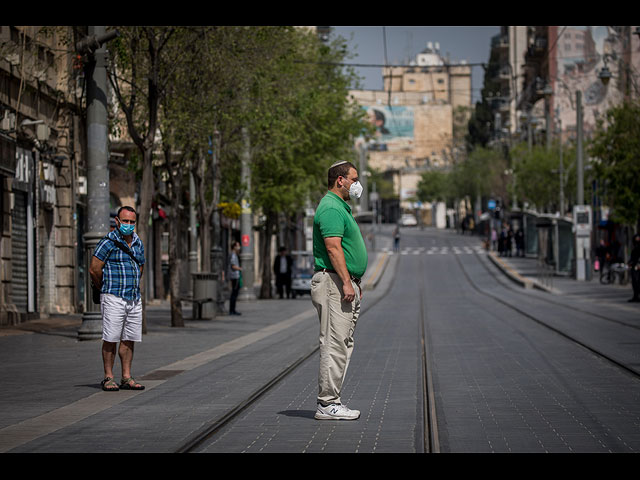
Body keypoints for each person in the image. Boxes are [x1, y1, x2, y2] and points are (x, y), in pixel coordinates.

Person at [311, 160, 368, 421]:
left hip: (342, 283)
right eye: (354, 179)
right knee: (335, 343)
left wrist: (353, 281)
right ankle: (328, 403)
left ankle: (332, 400)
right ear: (340, 180)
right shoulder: (331, 207)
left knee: (342, 343)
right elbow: (333, 248)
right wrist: (346, 281)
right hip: (334, 283)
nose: (357, 185)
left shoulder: (340, 207)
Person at [90, 206, 146, 392]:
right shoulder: (108, 242)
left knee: (129, 338)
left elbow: (140, 267)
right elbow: (95, 269)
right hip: (113, 296)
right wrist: (103, 288)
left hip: (133, 297)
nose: (129, 225)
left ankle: (127, 376)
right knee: (111, 337)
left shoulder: (138, 243)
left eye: (132, 222)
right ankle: (108, 377)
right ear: (117, 221)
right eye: (126, 221)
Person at [228, 240, 242, 315]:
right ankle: (232, 310)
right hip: (235, 276)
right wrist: (240, 269)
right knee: (234, 293)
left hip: (235, 276)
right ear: (234, 247)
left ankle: (233, 310)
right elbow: (233, 266)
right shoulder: (233, 255)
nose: (239, 247)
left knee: (235, 293)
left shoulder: (235, 254)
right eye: (237, 245)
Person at [628, 234, 640, 303]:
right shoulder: (634, 247)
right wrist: (630, 262)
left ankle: (637, 296)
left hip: (638, 266)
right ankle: (635, 296)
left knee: (638, 282)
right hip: (634, 266)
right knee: (634, 282)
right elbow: (633, 256)